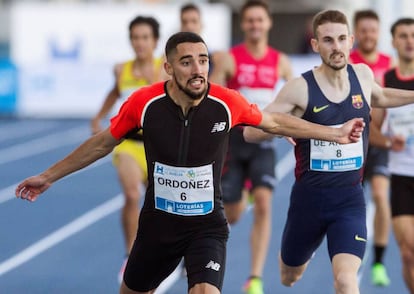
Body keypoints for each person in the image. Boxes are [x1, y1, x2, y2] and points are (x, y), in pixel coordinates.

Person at [15, 31, 365, 294]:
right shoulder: (145, 103)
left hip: (206, 227)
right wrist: (48, 176)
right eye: (187, 62)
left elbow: (273, 122)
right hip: (158, 226)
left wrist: (333, 133)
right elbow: (103, 142)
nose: (198, 69)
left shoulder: (226, 102)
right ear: (168, 67)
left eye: (203, 60)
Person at [243, 10, 414, 294]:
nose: (336, 47)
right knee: (289, 276)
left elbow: (381, 96)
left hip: (349, 201)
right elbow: (252, 131)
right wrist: (288, 127)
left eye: (341, 39)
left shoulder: (362, 75)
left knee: (347, 280)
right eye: (328, 40)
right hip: (308, 202)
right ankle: (300, 255)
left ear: (351, 41)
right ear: (315, 45)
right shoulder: (300, 88)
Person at [209, 1, 293, 292]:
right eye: (250, 20)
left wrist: (295, 126)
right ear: (243, 24)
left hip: (264, 142)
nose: (255, 25)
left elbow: (296, 98)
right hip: (233, 144)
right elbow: (213, 100)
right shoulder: (229, 59)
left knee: (265, 203)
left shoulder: (280, 61)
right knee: (232, 214)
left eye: (260, 20)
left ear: (268, 23)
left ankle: (254, 277)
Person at [89, 15, 165, 283]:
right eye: (135, 37)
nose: (140, 43)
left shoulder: (165, 69)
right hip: (129, 146)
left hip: (159, 149)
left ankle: (161, 255)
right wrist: (99, 116)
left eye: (145, 37)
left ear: (155, 41)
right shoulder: (121, 69)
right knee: (132, 195)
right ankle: (130, 255)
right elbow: (115, 90)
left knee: (160, 208)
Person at [370, 17, 414, 293]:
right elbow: (371, 131)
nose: (410, 41)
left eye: (413, 35)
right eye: (403, 36)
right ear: (394, 42)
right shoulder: (385, 80)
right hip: (400, 177)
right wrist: (388, 142)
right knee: (408, 252)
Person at [349, 9, 393, 286]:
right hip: (353, 141)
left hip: (379, 144)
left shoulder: (389, 64)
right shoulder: (349, 63)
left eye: (372, 30)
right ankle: (350, 253)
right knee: (352, 202)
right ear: (356, 33)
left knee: (380, 195)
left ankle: (377, 263)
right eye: (363, 30)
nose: (368, 35)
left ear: (379, 33)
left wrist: (386, 137)